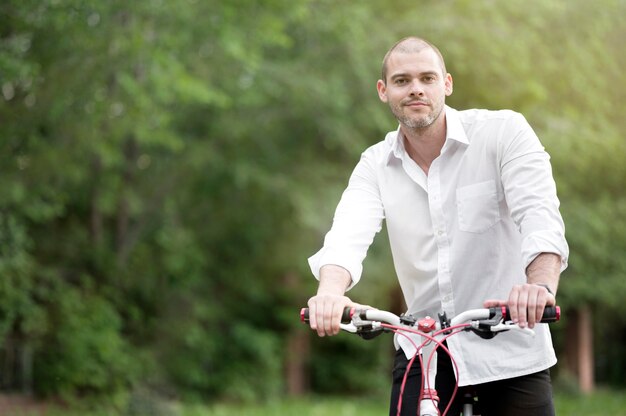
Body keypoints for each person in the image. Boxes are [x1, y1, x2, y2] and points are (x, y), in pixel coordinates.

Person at [305, 36, 568, 416]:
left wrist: (539, 287)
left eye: (427, 78)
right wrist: (330, 293)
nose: (415, 89)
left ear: (447, 84)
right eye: (402, 80)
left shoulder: (503, 133)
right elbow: (347, 234)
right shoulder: (375, 165)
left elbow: (540, 215)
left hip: (510, 345)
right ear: (383, 91)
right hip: (424, 351)